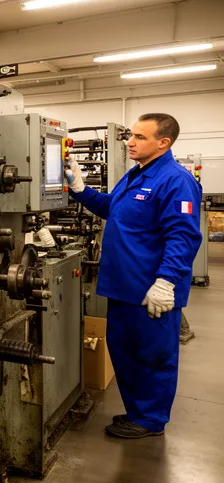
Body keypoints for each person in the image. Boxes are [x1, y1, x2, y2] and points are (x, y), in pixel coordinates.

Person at [66, 113, 202, 438]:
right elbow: (112, 208)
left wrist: (166, 282)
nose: (130, 141)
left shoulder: (176, 180)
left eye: (140, 137)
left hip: (150, 290)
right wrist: (80, 188)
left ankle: (151, 420)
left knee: (154, 357)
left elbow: (182, 237)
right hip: (124, 287)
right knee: (125, 352)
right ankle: (137, 412)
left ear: (162, 143)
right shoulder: (135, 174)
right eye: (133, 136)